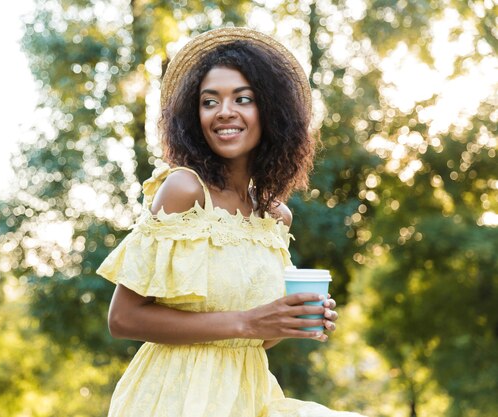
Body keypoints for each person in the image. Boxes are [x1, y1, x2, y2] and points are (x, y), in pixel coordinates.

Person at [96, 27, 365, 417]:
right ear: (195, 116)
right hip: (178, 396)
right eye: (210, 102)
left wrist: (287, 320)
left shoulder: (275, 216)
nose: (225, 111)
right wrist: (249, 321)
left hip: (248, 394)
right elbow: (122, 318)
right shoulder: (184, 190)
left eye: (243, 99)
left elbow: (255, 338)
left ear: (271, 111)